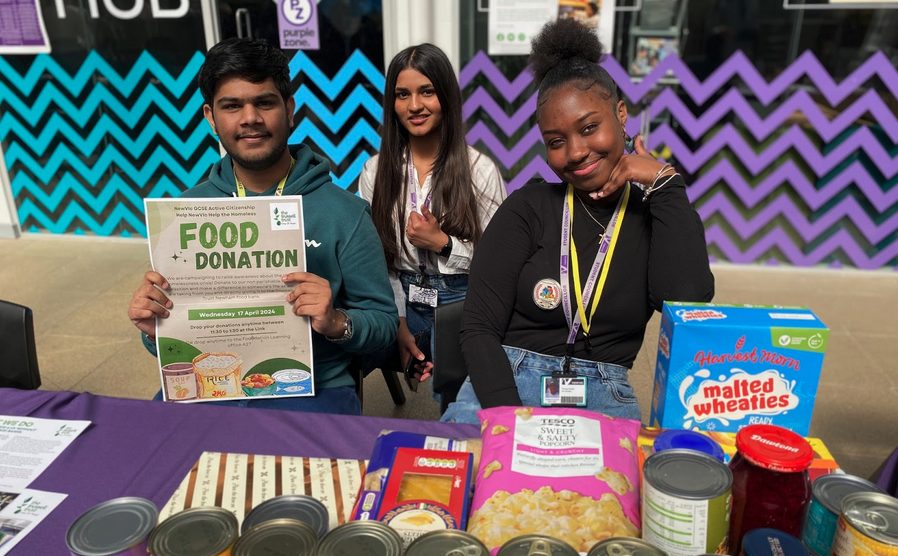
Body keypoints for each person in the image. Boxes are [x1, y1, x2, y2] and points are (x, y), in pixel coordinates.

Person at [442, 19, 714, 425]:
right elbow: (478, 330)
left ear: (621, 115)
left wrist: (665, 183)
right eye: (556, 142)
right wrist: (510, 423)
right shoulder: (528, 208)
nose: (575, 152)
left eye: (589, 128)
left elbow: (686, 302)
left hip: (606, 392)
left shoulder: (653, 213)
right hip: (504, 383)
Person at [127, 38, 398, 415]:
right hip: (206, 387)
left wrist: (337, 321)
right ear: (210, 116)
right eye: (232, 106)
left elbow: (385, 327)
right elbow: (168, 339)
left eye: (264, 102)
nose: (250, 117)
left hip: (313, 389)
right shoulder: (184, 213)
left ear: (289, 109)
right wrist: (154, 329)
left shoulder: (345, 213)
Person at [357, 43, 506, 387]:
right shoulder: (375, 171)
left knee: (457, 398)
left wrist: (444, 244)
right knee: (347, 347)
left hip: (463, 298)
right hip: (400, 296)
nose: (414, 106)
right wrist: (396, 320)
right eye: (402, 94)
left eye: (427, 91)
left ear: (447, 97)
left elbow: (498, 265)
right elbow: (376, 261)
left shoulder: (479, 170)